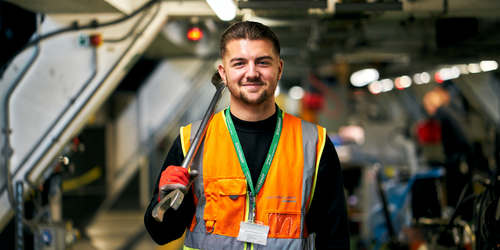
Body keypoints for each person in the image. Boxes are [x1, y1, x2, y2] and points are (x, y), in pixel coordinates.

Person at [144, 21, 350, 250]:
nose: (251, 73)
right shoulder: (191, 142)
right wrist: (163, 203)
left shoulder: (315, 144)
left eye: (263, 62)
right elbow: (162, 234)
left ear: (279, 69)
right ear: (223, 73)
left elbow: (335, 238)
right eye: (239, 63)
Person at [423, 88, 474, 209]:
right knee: (464, 192)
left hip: (457, 158)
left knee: (457, 194)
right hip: (462, 156)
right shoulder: (448, 111)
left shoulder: (441, 113)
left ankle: (458, 220)